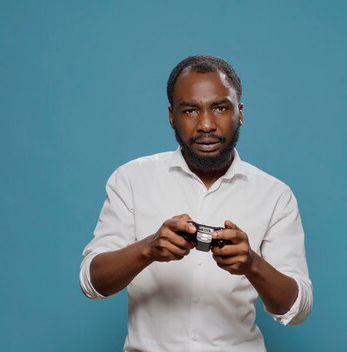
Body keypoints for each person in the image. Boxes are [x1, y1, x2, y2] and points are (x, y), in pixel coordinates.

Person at [79, 54, 312, 351]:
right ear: (171, 116)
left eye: (220, 108)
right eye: (190, 110)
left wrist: (253, 265)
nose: (206, 124)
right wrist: (147, 250)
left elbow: (297, 310)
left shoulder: (276, 195)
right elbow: (92, 282)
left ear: (240, 112)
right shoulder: (131, 179)